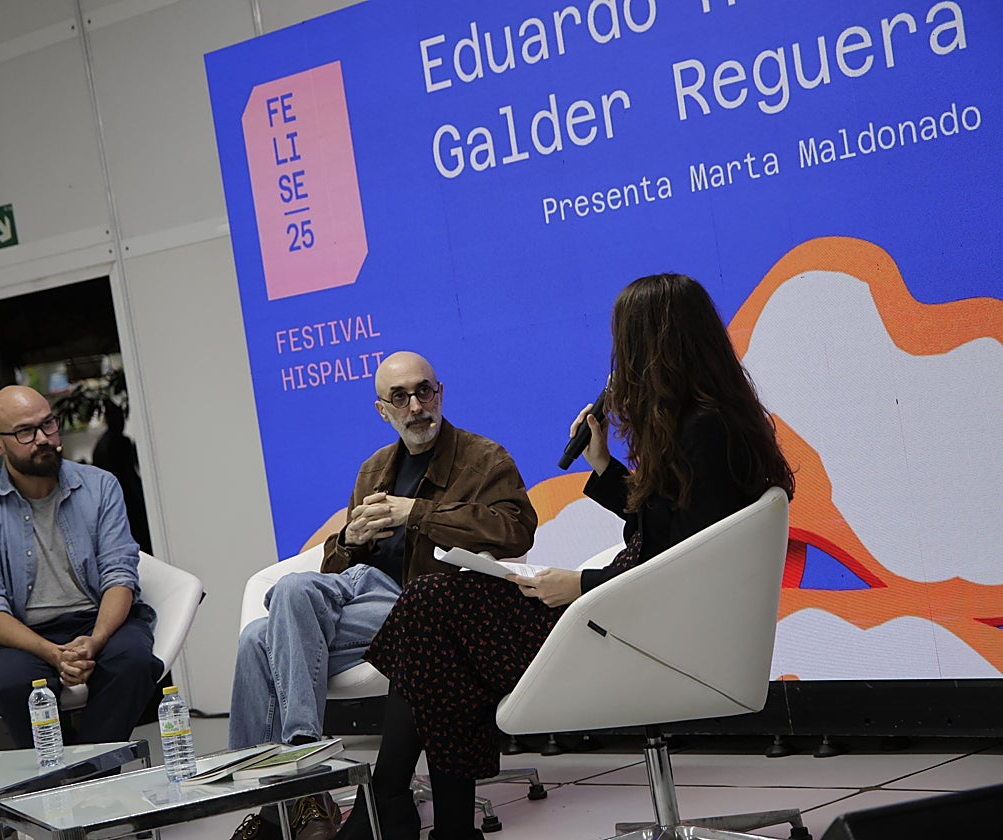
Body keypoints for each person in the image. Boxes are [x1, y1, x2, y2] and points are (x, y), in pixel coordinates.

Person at [335, 274, 796, 840]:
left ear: (657, 347)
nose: (618, 362)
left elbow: (678, 559)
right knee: (437, 607)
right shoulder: (707, 423)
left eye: (626, 343)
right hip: (642, 613)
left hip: (653, 631)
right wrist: (603, 467)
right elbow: (674, 532)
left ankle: (392, 800)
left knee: (433, 604)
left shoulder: (706, 430)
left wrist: (579, 584)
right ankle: (442, 823)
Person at [228, 351, 537, 840]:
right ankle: (273, 801)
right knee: (257, 638)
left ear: (440, 393)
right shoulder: (374, 468)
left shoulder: (484, 458)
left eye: (424, 391)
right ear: (383, 410)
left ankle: (303, 786)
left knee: (285, 604)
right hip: (361, 602)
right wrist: (350, 539)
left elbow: (517, 531)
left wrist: (417, 511)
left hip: (423, 613)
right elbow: (337, 565)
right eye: (400, 396)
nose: (415, 405)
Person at [0, 385, 162, 748]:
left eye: (48, 424)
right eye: (25, 432)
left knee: (133, 662)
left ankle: (82, 775)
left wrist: (95, 640)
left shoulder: (100, 487)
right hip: (21, 633)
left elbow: (119, 574)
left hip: (95, 618)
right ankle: (68, 774)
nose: (43, 439)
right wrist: (53, 653)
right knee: (13, 683)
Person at [91, 399, 152, 554]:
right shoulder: (121, 442)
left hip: (113, 499)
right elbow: (130, 473)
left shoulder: (102, 444)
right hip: (129, 497)